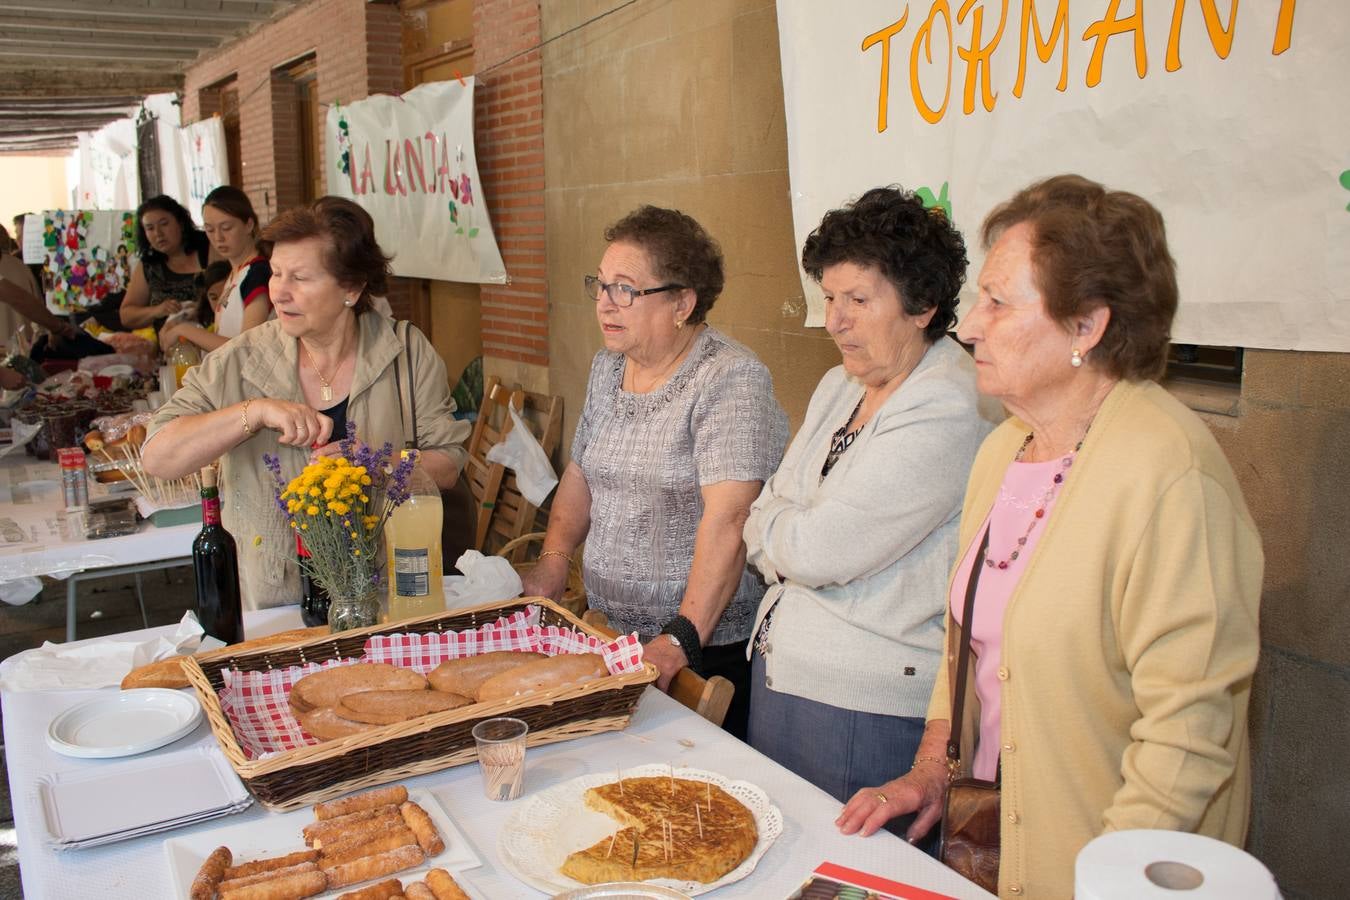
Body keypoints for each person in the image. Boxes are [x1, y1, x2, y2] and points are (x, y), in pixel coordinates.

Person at [836, 175, 1262, 898]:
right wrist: (931, 771)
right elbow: (965, 645)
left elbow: (1187, 736)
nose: (969, 326)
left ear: (1086, 326)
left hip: (1106, 867)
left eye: (999, 303)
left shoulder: (1168, 477)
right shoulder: (1005, 450)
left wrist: (1110, 879)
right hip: (998, 851)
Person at [742, 187, 993, 840]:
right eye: (829, 297)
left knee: (845, 877)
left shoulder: (948, 402)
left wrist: (777, 533)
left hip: (866, 706)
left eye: (858, 300)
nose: (834, 320)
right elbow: (766, 509)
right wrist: (779, 529)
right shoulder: (839, 385)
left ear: (922, 305)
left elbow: (822, 547)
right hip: (785, 674)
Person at [520, 205, 788, 738]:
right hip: (610, 632)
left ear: (682, 303)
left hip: (698, 652)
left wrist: (681, 637)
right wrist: (553, 561)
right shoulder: (609, 365)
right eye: (600, 285)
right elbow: (582, 472)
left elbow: (730, 519)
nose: (604, 303)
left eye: (625, 289)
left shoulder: (730, 379)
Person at [142, 197, 471, 609]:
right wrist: (254, 412)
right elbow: (158, 456)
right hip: (276, 600)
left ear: (351, 288)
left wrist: (372, 464)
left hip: (390, 593)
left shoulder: (405, 351)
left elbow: (448, 463)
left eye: (300, 277)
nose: (280, 291)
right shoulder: (240, 360)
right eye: (277, 273)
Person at [159, 186, 271, 350]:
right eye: (209, 229)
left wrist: (184, 330)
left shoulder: (257, 273)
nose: (218, 238)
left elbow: (246, 347)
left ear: (249, 224)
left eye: (226, 228)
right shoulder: (234, 272)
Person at [120, 195, 210, 330]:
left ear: (181, 223)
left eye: (164, 224)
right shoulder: (149, 265)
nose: (158, 233)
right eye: (150, 228)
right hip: (171, 346)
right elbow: (126, 316)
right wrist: (157, 310)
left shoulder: (208, 249)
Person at [159, 261, 232, 355]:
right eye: (214, 298)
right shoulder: (198, 318)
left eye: (226, 296)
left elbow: (232, 349)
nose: (219, 303)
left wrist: (182, 329)